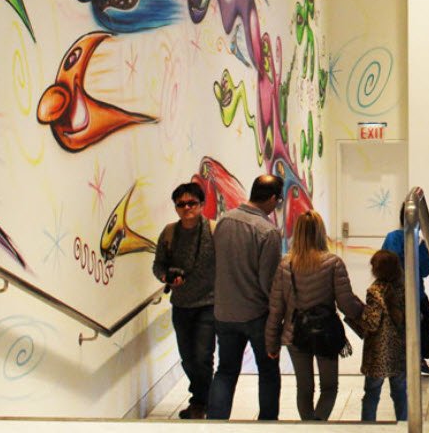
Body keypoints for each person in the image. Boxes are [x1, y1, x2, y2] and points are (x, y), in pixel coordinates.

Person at [265, 209, 364, 421]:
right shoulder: (333, 263)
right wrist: (364, 311)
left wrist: (271, 343)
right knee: (329, 387)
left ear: (297, 233)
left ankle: (308, 426)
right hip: (326, 333)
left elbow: (276, 309)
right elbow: (346, 304)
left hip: (295, 333)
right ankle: (318, 425)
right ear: (321, 232)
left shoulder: (286, 265)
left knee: (304, 388)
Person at [207, 174, 284, 420]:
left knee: (225, 372)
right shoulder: (268, 231)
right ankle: (267, 425)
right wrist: (279, 314)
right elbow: (268, 281)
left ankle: (216, 423)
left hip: (224, 312)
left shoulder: (224, 221)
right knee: (268, 372)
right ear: (272, 198)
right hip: (257, 315)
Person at [152, 182, 217, 420]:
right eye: (181, 204)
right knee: (188, 359)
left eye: (191, 203)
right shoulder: (169, 233)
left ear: (201, 204)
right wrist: (165, 276)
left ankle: (200, 403)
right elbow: (158, 265)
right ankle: (203, 397)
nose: (186, 208)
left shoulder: (214, 230)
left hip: (209, 303)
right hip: (181, 305)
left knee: (203, 356)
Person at [381, 207, 429, 374]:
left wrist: (421, 246)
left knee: (428, 318)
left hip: (416, 292)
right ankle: (405, 358)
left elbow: (425, 270)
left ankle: (419, 357)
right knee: (404, 323)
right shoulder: (394, 238)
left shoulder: (419, 241)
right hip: (397, 292)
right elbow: (391, 263)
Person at [358, 249, 409, 421]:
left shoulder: (374, 291)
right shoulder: (404, 289)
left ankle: (368, 426)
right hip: (399, 352)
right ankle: (404, 425)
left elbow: (371, 323)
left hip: (378, 355)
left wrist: (359, 317)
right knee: (400, 392)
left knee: (372, 393)